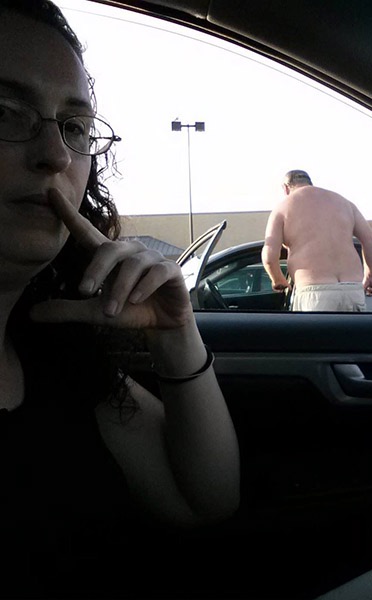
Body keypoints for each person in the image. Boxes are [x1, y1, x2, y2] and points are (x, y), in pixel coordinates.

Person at [0, 0, 239, 596]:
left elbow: (202, 500)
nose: (57, 155)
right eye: (4, 111)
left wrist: (176, 336)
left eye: (75, 127)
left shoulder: (53, 352)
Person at [262, 170, 372, 312]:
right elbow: (371, 240)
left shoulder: (282, 208)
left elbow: (269, 255)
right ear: (310, 183)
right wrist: (370, 275)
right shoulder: (344, 203)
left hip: (314, 291)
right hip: (352, 289)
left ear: (285, 188)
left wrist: (278, 279)